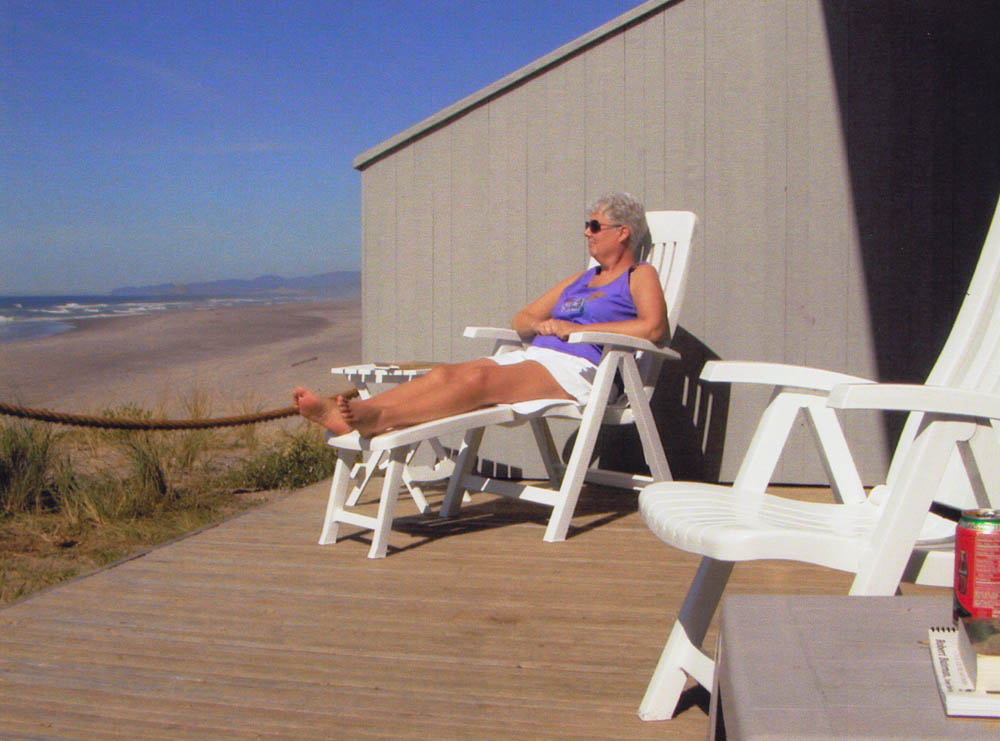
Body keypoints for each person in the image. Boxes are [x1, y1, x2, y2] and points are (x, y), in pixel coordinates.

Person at [293, 192, 667, 438]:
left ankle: (379, 418)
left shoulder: (639, 275)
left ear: (623, 233)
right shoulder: (579, 279)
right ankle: (358, 413)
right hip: (537, 357)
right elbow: (521, 319)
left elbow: (654, 329)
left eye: (594, 226)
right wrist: (539, 324)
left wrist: (575, 329)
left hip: (582, 370)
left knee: (479, 380)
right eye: (587, 225)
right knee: (445, 374)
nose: (586, 233)